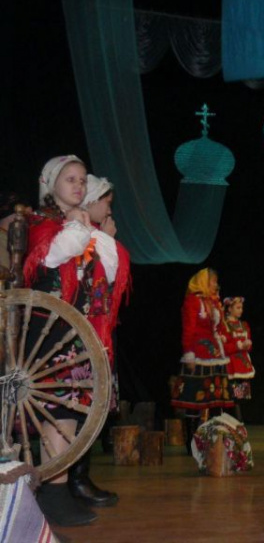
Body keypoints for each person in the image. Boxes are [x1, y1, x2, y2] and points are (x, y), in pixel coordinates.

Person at [23, 155, 118, 526]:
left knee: (73, 411)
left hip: (77, 331)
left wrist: (96, 234)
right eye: (70, 179)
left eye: (82, 179)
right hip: (49, 330)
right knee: (57, 411)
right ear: (50, 185)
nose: (79, 185)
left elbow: (110, 270)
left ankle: (59, 490)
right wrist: (83, 229)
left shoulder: (79, 226)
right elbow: (54, 255)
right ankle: (52, 492)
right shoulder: (40, 223)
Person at [61, 175, 131, 509]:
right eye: (105, 201)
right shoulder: (82, 239)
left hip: (98, 332)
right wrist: (107, 239)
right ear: (90, 202)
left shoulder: (97, 239)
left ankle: (80, 475)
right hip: (80, 334)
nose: (109, 207)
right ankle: (73, 478)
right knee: (78, 407)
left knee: (92, 407)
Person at [171, 268, 234, 453]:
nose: (216, 284)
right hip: (198, 356)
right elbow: (188, 329)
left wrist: (222, 338)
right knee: (194, 402)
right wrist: (189, 353)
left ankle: (214, 441)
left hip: (215, 355)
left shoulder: (213, 301)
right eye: (213, 281)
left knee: (216, 402)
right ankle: (191, 444)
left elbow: (218, 327)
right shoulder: (193, 301)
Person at [218, 296, 256, 422]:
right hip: (231, 368)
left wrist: (247, 344)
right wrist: (238, 345)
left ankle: (238, 425)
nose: (241, 310)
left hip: (243, 368)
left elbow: (248, 347)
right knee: (231, 399)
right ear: (229, 309)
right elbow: (224, 347)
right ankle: (235, 424)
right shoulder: (224, 325)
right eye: (238, 308)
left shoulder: (244, 325)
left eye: (242, 308)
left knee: (240, 399)